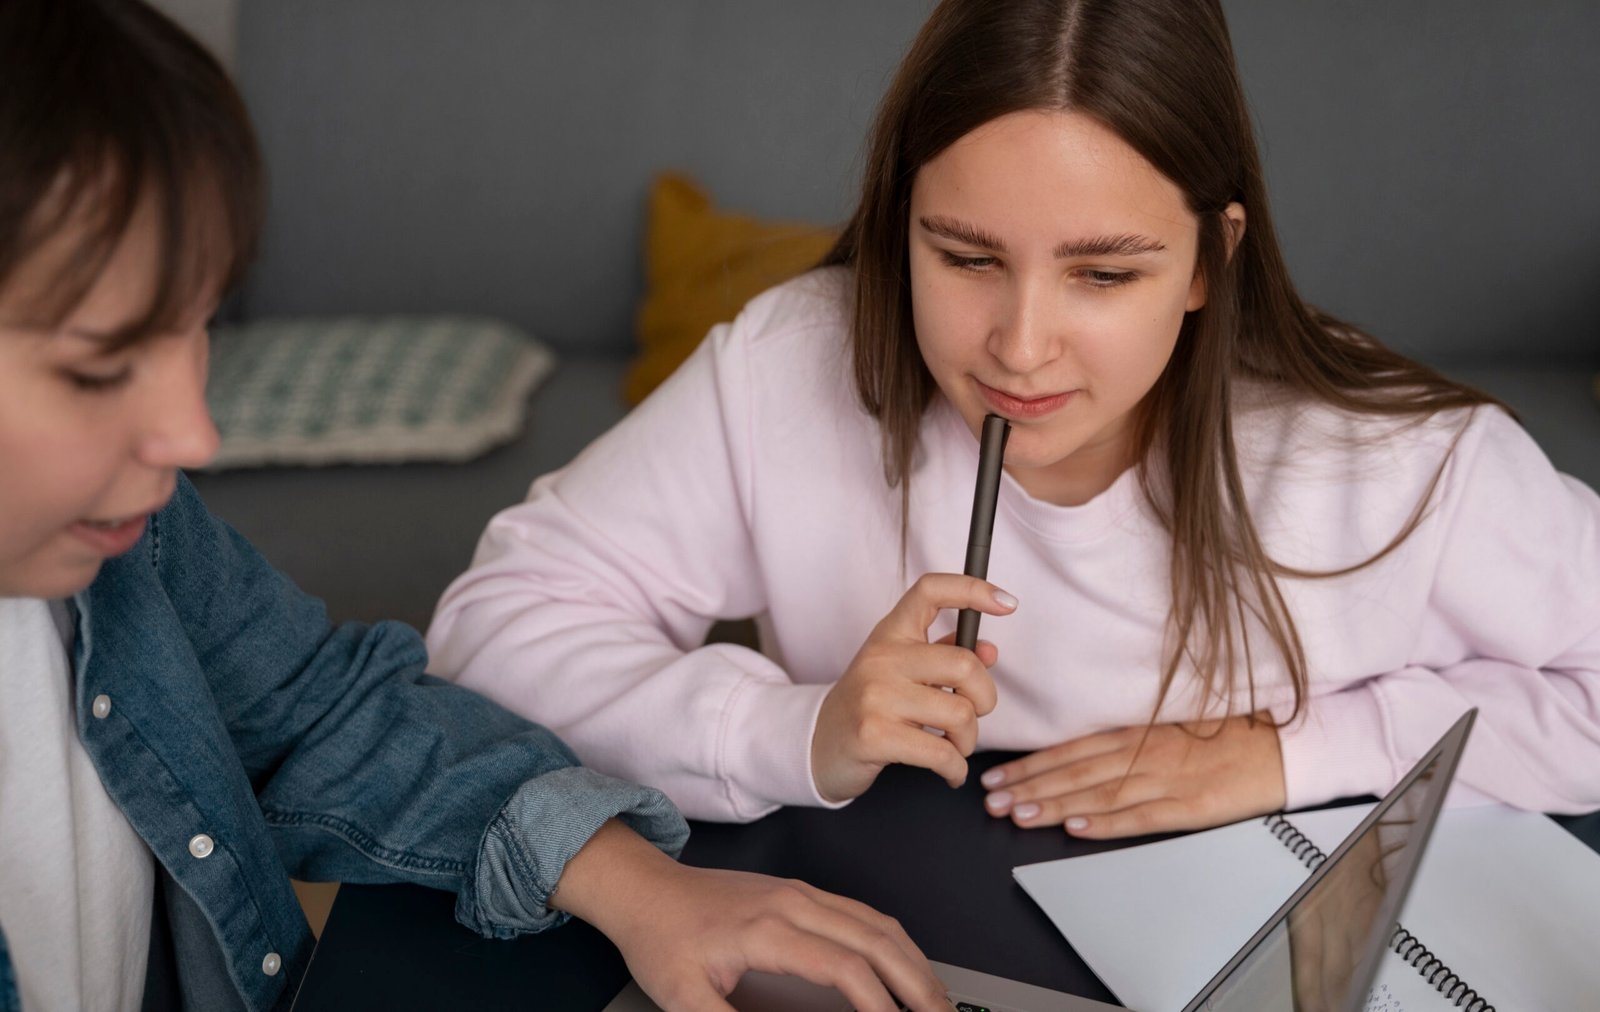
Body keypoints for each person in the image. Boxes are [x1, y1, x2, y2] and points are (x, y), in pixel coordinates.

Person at [427, 0, 1600, 837]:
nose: (1020, 346)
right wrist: (795, 728)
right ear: (901, 225)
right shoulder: (790, 366)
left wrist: (1298, 752)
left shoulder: (1403, 464)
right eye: (966, 255)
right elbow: (490, 632)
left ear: (1209, 260)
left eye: (1104, 274)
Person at [0, 3, 952, 1011]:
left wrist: (648, 888)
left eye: (192, 332)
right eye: (100, 369)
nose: (194, 435)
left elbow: (330, 710)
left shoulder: (132, 542)